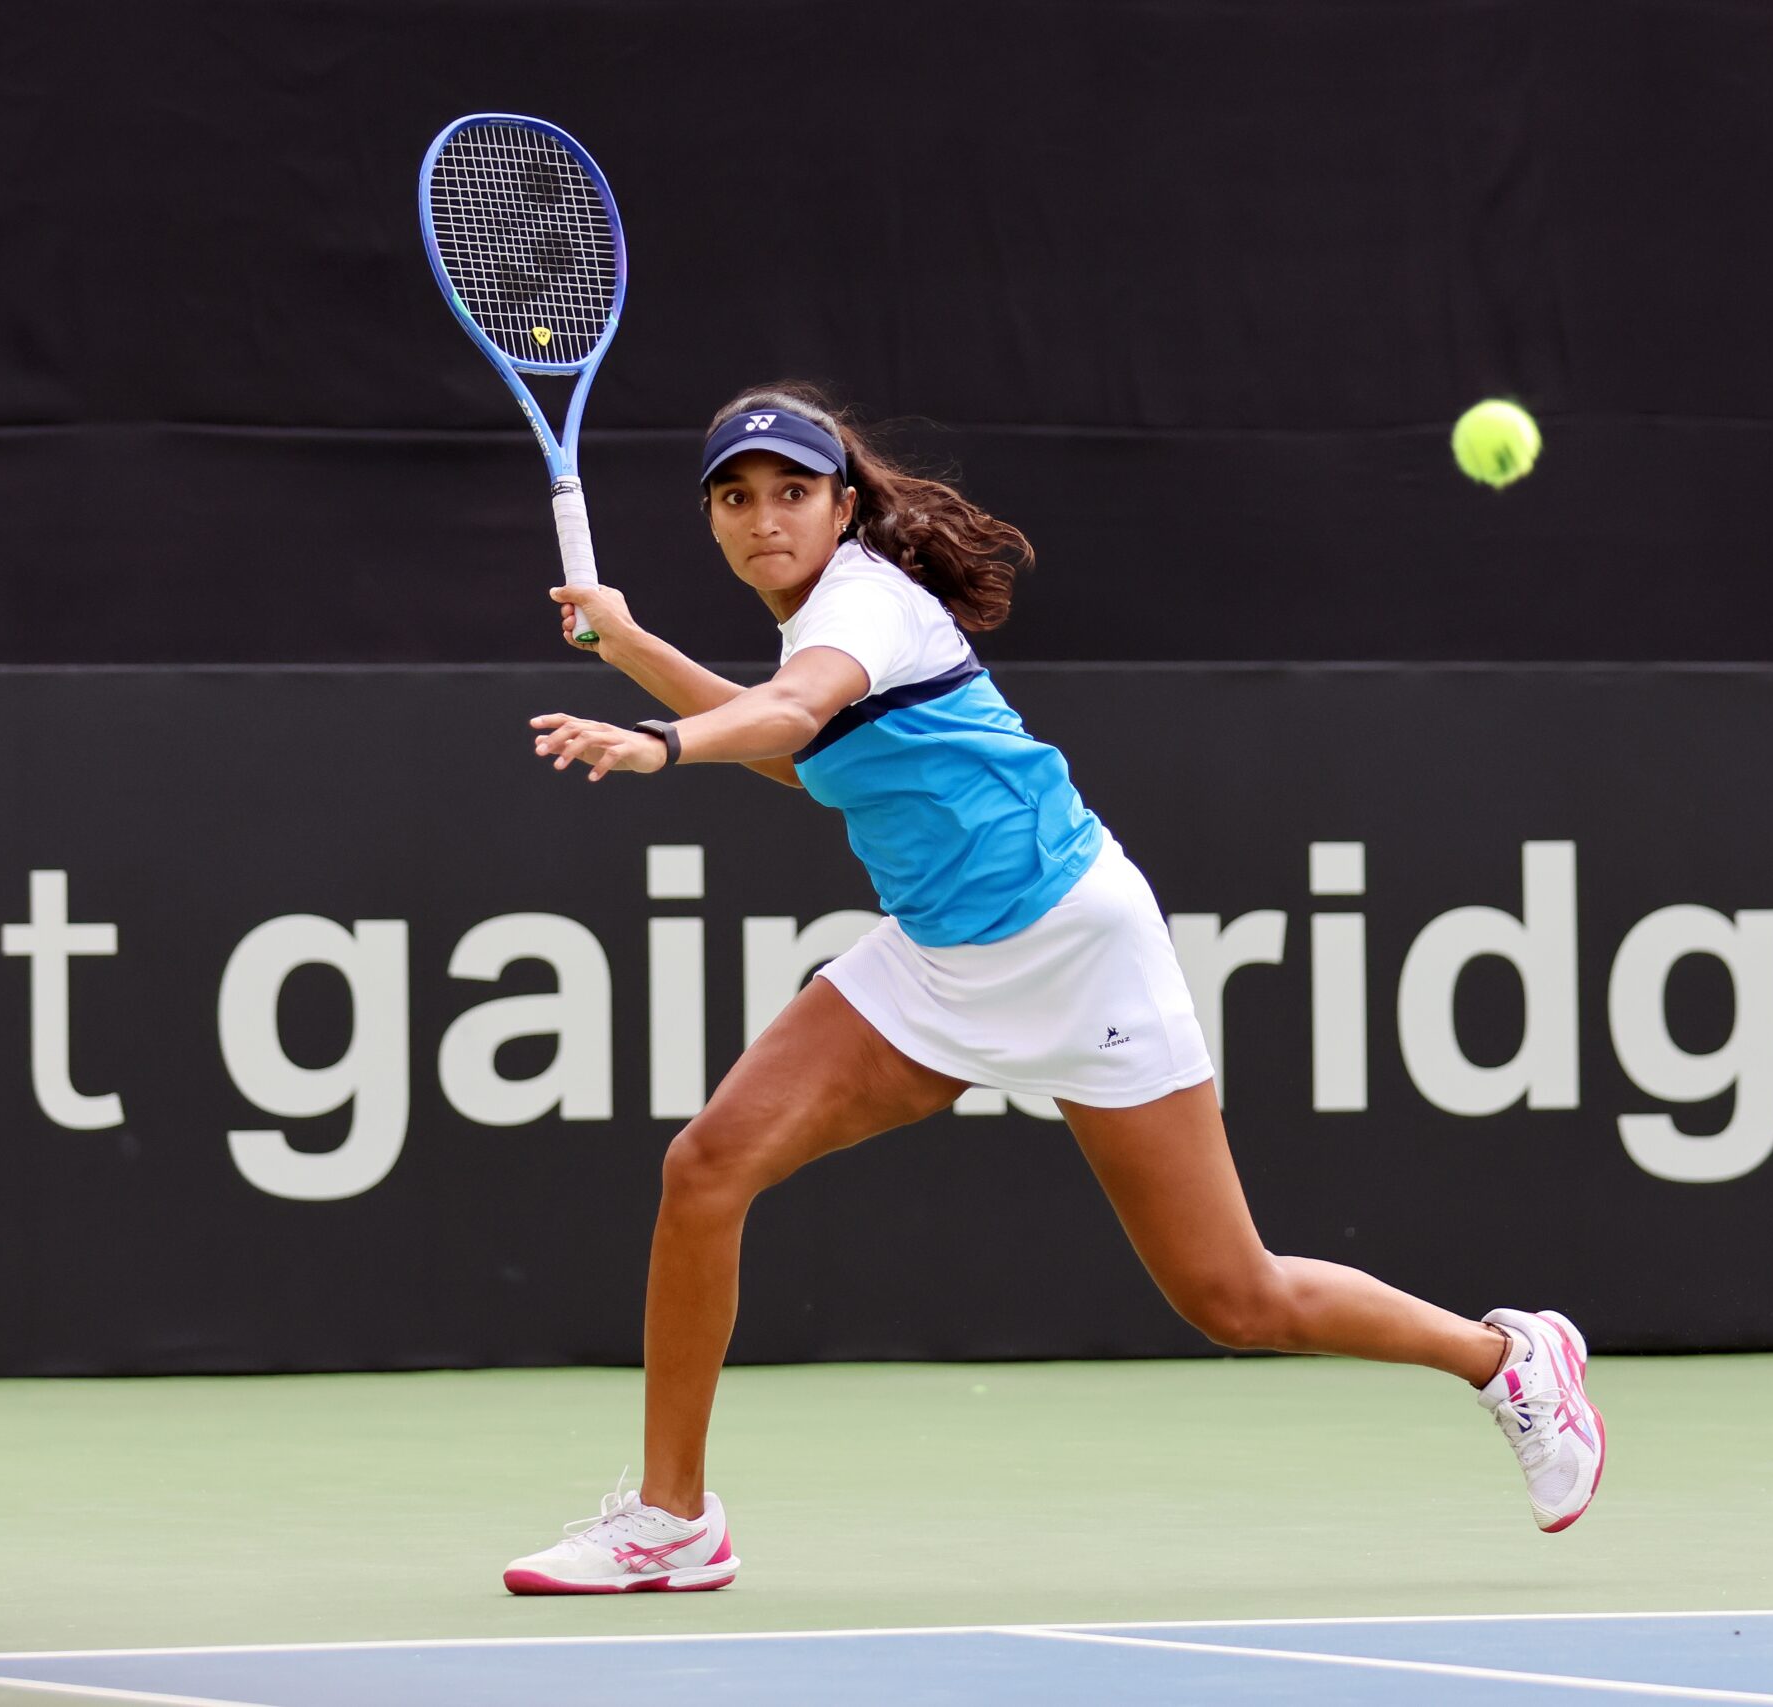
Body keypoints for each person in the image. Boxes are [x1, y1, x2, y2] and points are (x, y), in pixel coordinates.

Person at [502, 384, 1604, 1594]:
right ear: (712, 518)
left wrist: (660, 742)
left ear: (842, 507)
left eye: (792, 491)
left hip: (1078, 951)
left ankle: (1505, 1361)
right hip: (939, 965)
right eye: (735, 496)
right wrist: (629, 646)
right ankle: (672, 1521)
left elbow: (794, 712)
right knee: (707, 1167)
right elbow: (806, 761)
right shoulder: (814, 619)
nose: (764, 516)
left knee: (1231, 1298)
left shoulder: (863, 604)